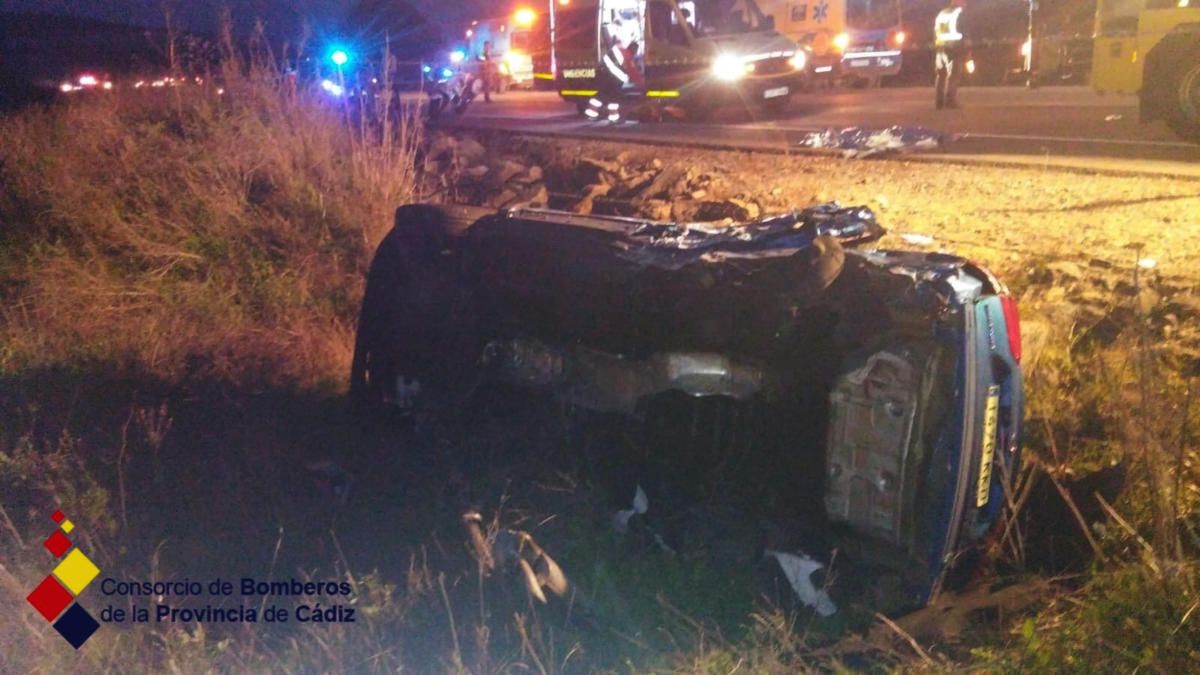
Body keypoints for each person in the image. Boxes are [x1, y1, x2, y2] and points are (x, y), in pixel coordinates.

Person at [933, 0, 969, 109]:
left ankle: (939, 102)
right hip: (954, 47)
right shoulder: (959, 13)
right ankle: (950, 100)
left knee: (941, 75)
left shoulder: (942, 13)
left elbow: (936, 31)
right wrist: (966, 46)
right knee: (954, 75)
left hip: (940, 47)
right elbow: (963, 31)